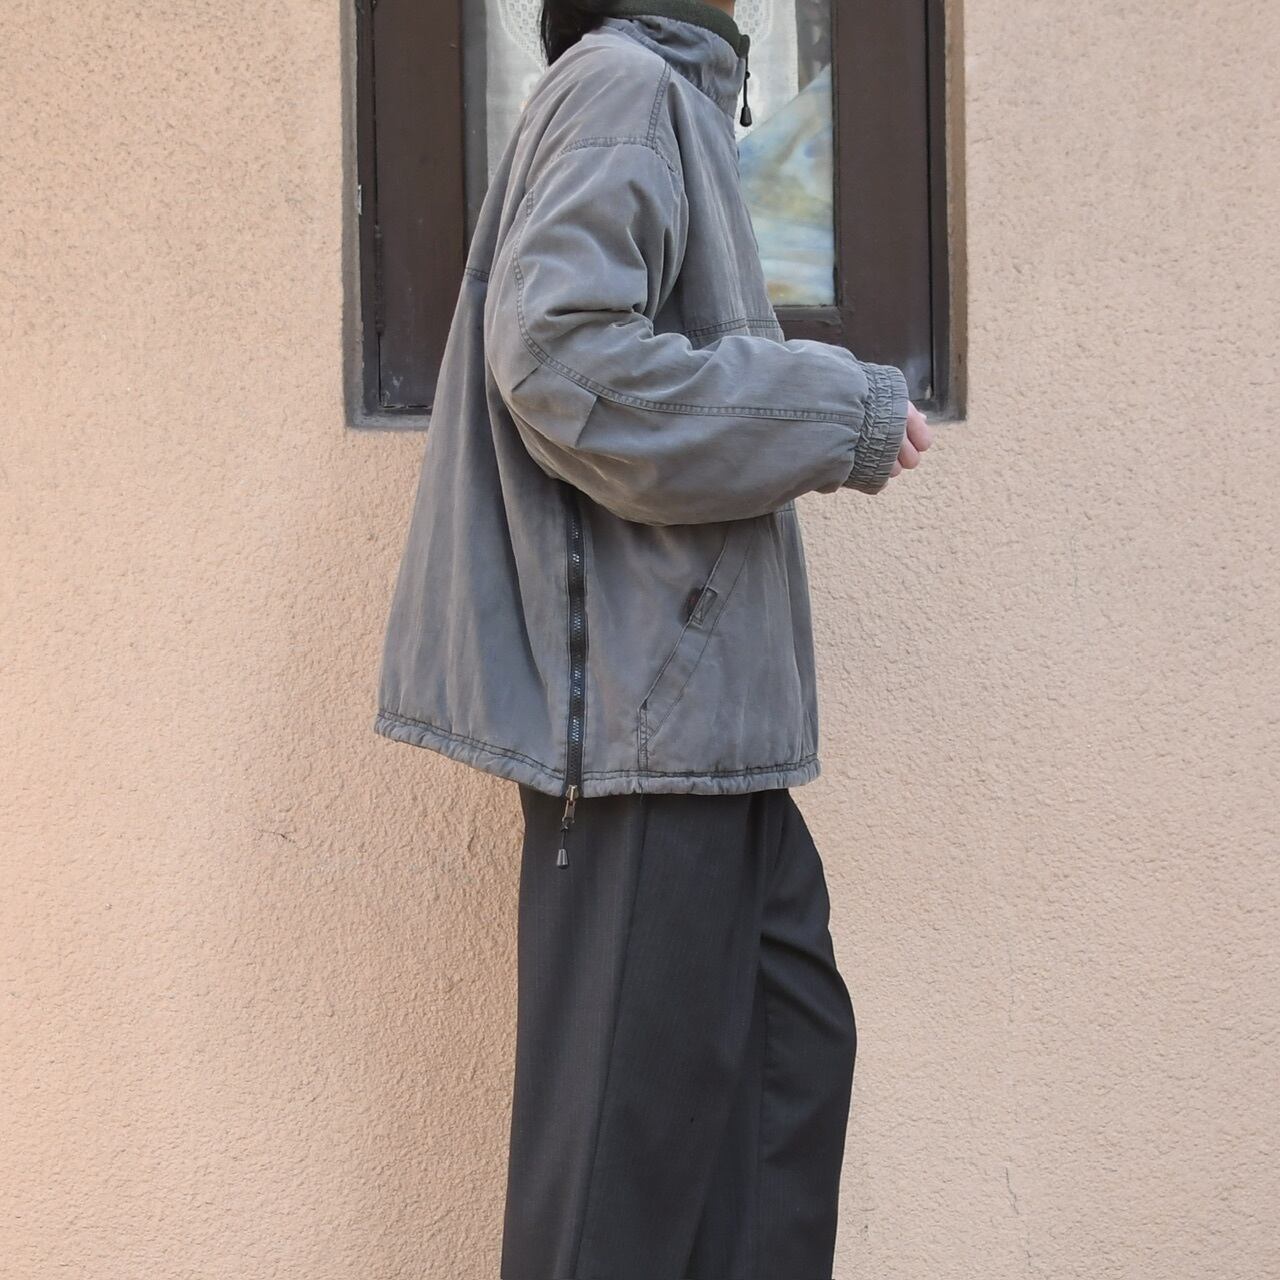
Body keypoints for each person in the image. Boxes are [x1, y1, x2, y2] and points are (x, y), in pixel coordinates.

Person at [373, 0, 935, 1274]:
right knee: (616, 1194)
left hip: (706, 729)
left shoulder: (675, 97)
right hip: (646, 722)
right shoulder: (622, 85)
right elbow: (564, 361)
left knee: (777, 1101)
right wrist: (830, 407)